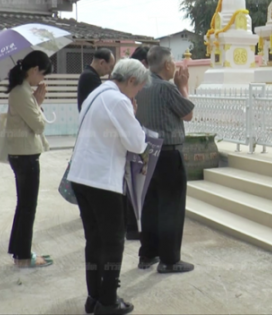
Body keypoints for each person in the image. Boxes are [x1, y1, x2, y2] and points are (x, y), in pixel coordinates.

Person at [67, 59, 150, 315]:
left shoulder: (96, 93)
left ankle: (94, 298)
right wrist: (133, 114)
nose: (137, 95)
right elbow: (137, 143)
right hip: (102, 181)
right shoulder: (119, 100)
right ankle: (109, 301)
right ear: (131, 81)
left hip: (81, 177)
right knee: (114, 242)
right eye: (139, 89)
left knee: (94, 240)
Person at [135, 46, 195, 274]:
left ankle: (148, 254)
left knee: (150, 205)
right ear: (168, 65)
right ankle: (170, 260)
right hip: (169, 154)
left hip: (147, 152)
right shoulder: (167, 88)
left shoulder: (141, 85)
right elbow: (188, 113)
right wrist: (183, 87)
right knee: (171, 207)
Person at [4, 50, 53, 268]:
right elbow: (39, 125)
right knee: (27, 207)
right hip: (25, 157)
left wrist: (35, 100)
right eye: (42, 75)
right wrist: (39, 101)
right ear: (33, 71)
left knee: (23, 205)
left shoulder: (22, 91)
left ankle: (19, 252)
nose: (41, 80)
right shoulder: (21, 93)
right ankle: (23, 257)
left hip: (22, 155)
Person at [123, 45, 149, 240]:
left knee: (131, 185)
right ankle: (132, 227)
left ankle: (132, 226)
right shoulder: (126, 90)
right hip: (132, 141)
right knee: (132, 184)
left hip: (131, 139)